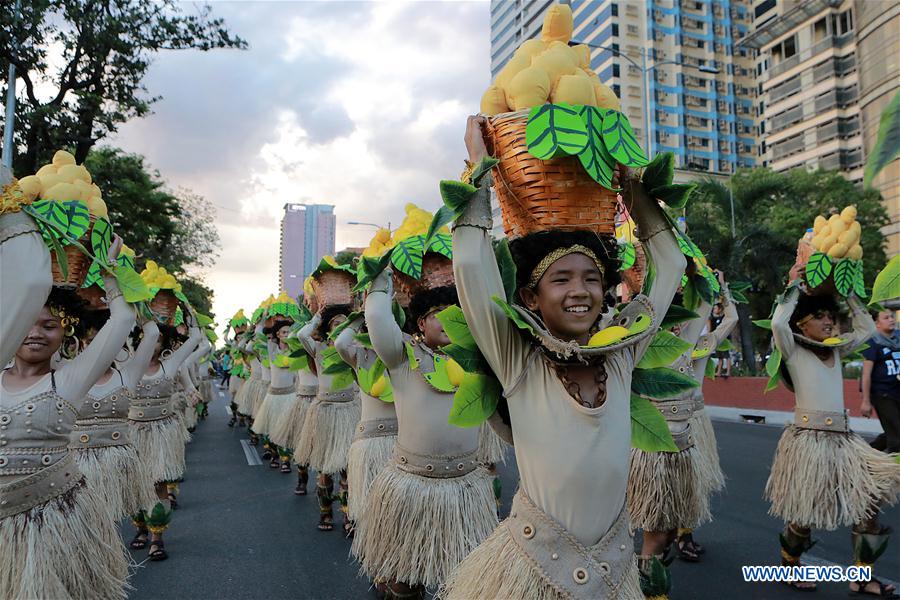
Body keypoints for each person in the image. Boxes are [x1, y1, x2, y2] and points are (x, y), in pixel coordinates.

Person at [441, 115, 685, 600]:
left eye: (592, 279)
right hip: (533, 571)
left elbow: (672, 264)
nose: (580, 291)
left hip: (615, 572)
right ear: (531, 299)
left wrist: (630, 189)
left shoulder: (621, 355)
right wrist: (478, 165)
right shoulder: (517, 360)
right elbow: (470, 264)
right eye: (561, 279)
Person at [355, 265, 498, 598]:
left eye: (456, 314)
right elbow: (377, 320)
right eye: (438, 314)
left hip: (466, 489)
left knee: (465, 577)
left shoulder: (482, 360)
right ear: (420, 323)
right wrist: (379, 279)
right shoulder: (402, 358)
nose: (448, 320)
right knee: (404, 581)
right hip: (411, 487)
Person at [1, 239, 132, 600]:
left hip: (54, 518)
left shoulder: (70, 380)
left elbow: (123, 319)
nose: (35, 333)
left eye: (49, 325)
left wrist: (109, 273)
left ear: (65, 334)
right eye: (26, 322)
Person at [766, 264, 900, 595]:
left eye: (832, 316)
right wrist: (794, 285)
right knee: (804, 514)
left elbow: (867, 329)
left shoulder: (837, 349)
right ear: (803, 323)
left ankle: (862, 576)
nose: (829, 321)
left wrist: (850, 292)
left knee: (869, 503)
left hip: (844, 443)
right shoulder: (792, 348)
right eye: (821, 317)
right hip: (808, 443)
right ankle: (789, 566)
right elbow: (777, 322)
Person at [128, 310, 202, 562]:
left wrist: (189, 315)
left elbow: (196, 338)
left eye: (157, 340)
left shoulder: (171, 364)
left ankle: (157, 537)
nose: (151, 344)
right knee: (136, 484)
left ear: (163, 345)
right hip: (133, 432)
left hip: (162, 431)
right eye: (147, 339)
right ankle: (140, 528)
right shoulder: (126, 363)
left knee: (158, 484)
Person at [296, 307, 361, 533]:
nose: (341, 326)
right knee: (325, 468)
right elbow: (302, 335)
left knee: (346, 468)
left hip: (349, 412)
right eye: (335, 323)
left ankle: (348, 516)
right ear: (327, 328)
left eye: (345, 323)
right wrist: (317, 318)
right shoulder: (319, 349)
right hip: (325, 412)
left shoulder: (353, 349)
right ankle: (325, 511)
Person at [861, 310, 900, 452]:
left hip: (898, 391)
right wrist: (866, 401)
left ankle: (866, 455)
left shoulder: (898, 339)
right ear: (876, 324)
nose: (891, 319)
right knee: (897, 438)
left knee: (893, 431)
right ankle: (893, 470)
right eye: (886, 318)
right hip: (883, 394)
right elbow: (866, 374)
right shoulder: (872, 343)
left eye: (892, 317)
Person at [709, 302, 732, 378]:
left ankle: (728, 372)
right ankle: (718, 371)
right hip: (718, 339)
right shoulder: (716, 319)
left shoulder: (724, 318)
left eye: (715, 308)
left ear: (720, 309)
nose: (714, 310)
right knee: (720, 356)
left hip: (724, 339)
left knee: (726, 355)